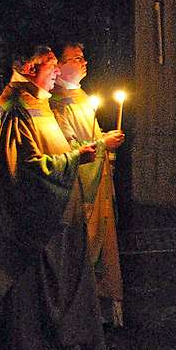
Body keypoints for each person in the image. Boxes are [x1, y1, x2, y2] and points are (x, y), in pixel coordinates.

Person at [0, 45, 104, 350]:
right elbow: (25, 171)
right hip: (31, 226)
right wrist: (73, 161)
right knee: (30, 298)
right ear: (28, 67)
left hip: (55, 220)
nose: (56, 73)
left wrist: (72, 151)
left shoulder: (36, 102)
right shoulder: (15, 109)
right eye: (51, 66)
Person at [50, 42, 127, 328]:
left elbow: (90, 138)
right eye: (76, 58)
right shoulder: (56, 104)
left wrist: (105, 142)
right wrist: (100, 143)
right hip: (81, 191)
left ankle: (104, 311)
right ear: (58, 68)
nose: (84, 62)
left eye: (84, 57)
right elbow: (68, 147)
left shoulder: (80, 96)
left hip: (98, 183)